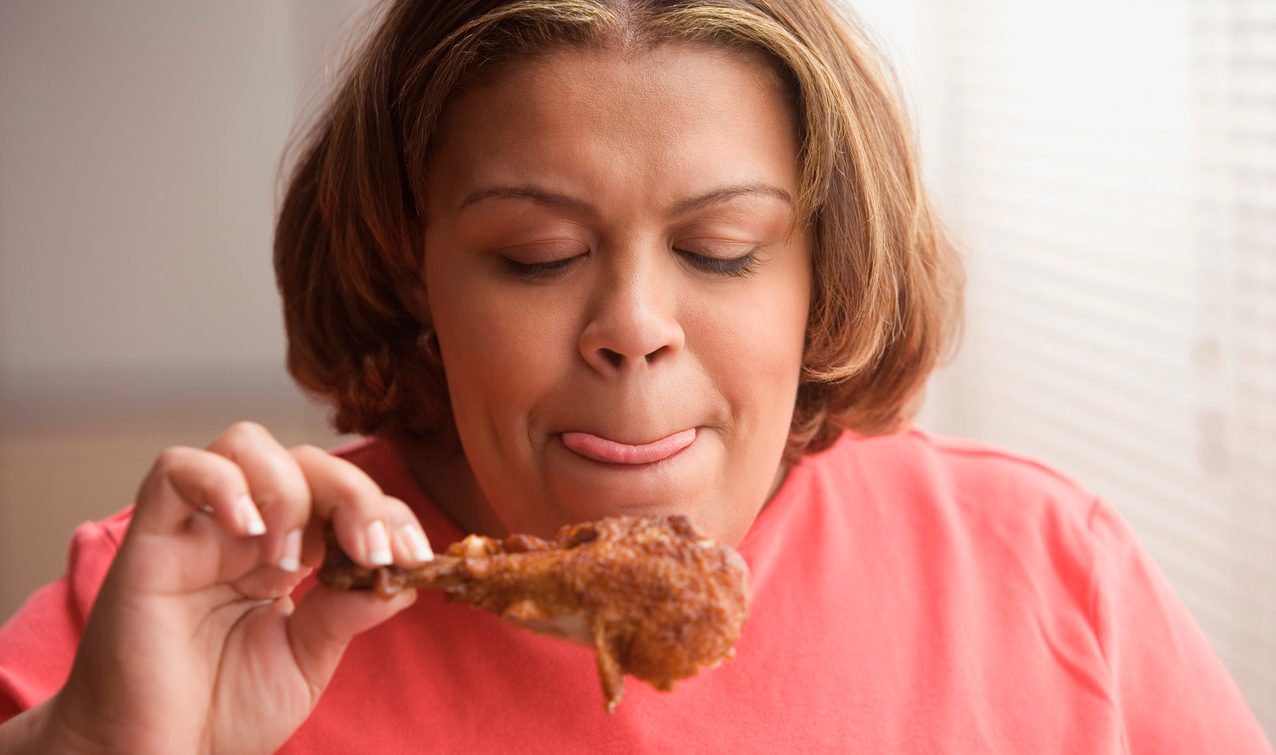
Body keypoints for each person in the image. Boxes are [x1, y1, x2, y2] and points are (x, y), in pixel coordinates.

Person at [0, 0, 1271, 752]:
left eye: (722, 251)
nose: (632, 327)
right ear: (412, 267)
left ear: (819, 274)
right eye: (535, 254)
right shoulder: (170, 614)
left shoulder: (1048, 573)